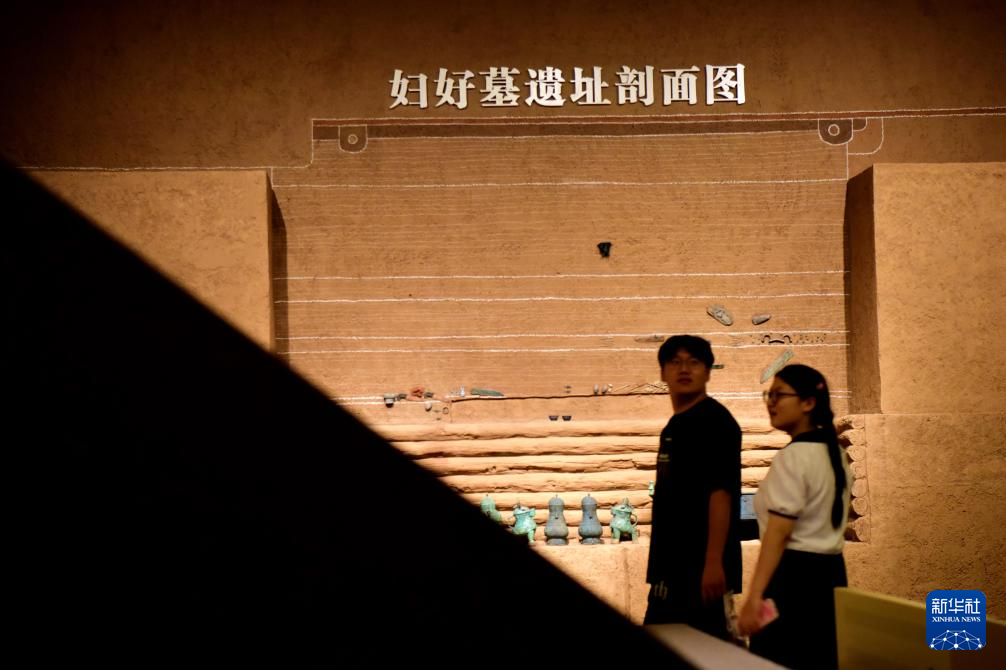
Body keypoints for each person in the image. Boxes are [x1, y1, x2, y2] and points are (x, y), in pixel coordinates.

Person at [738, 364, 852, 669]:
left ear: (808, 403)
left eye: (779, 395)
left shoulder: (794, 456)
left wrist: (755, 596)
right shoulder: (835, 453)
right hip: (830, 576)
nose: (771, 402)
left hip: (794, 580)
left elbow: (779, 533)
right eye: (769, 394)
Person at [644, 335, 742, 639]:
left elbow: (720, 494)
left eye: (694, 362)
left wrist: (713, 562)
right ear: (663, 373)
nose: (684, 369)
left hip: (701, 571)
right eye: (675, 362)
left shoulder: (716, 422)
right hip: (670, 568)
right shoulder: (673, 426)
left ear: (708, 371)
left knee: (709, 652)